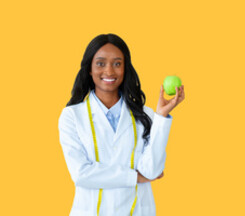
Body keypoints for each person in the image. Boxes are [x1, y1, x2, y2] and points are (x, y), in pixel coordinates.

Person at [58, 33, 185, 215]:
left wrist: (162, 117)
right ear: (89, 69)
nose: (109, 71)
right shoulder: (72, 116)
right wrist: (134, 177)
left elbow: (152, 170)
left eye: (117, 64)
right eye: (100, 63)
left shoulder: (146, 115)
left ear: (126, 69)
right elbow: (81, 174)